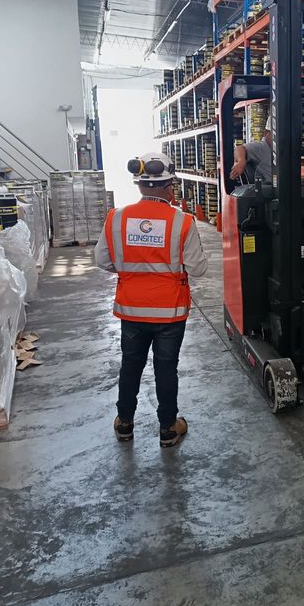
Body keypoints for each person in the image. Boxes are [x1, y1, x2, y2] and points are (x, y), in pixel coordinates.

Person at [95, 152, 208, 448]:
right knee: (166, 368)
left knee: (130, 365)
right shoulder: (182, 221)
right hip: (169, 312)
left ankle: (124, 423)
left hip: (131, 309)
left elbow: (102, 260)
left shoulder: (117, 217)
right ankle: (169, 428)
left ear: (139, 184)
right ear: (170, 184)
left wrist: (132, 269)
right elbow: (198, 268)